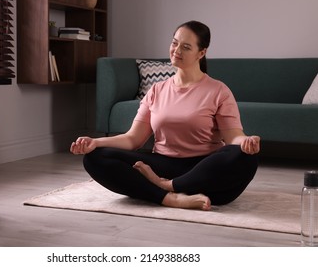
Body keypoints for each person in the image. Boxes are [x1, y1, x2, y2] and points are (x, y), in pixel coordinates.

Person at [70, 20, 260, 211]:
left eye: (186, 47)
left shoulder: (219, 91)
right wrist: (95, 142)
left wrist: (245, 142)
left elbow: (232, 137)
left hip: (203, 168)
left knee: (245, 156)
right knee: (94, 157)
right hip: (162, 164)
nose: (177, 50)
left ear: (201, 53)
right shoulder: (156, 90)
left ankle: (166, 186)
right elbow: (132, 139)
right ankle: (170, 198)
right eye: (174, 43)